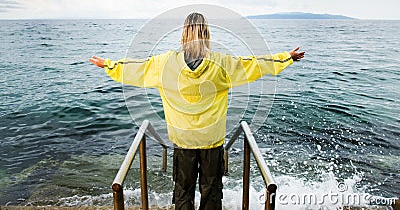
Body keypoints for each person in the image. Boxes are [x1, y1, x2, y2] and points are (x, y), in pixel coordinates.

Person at [89, 12, 305, 210]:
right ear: (207, 33)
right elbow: (255, 65)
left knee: (183, 192)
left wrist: (108, 65)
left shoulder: (164, 64)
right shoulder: (222, 63)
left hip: (183, 141)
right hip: (212, 141)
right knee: (211, 192)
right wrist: (287, 57)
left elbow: (135, 68)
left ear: (184, 34)